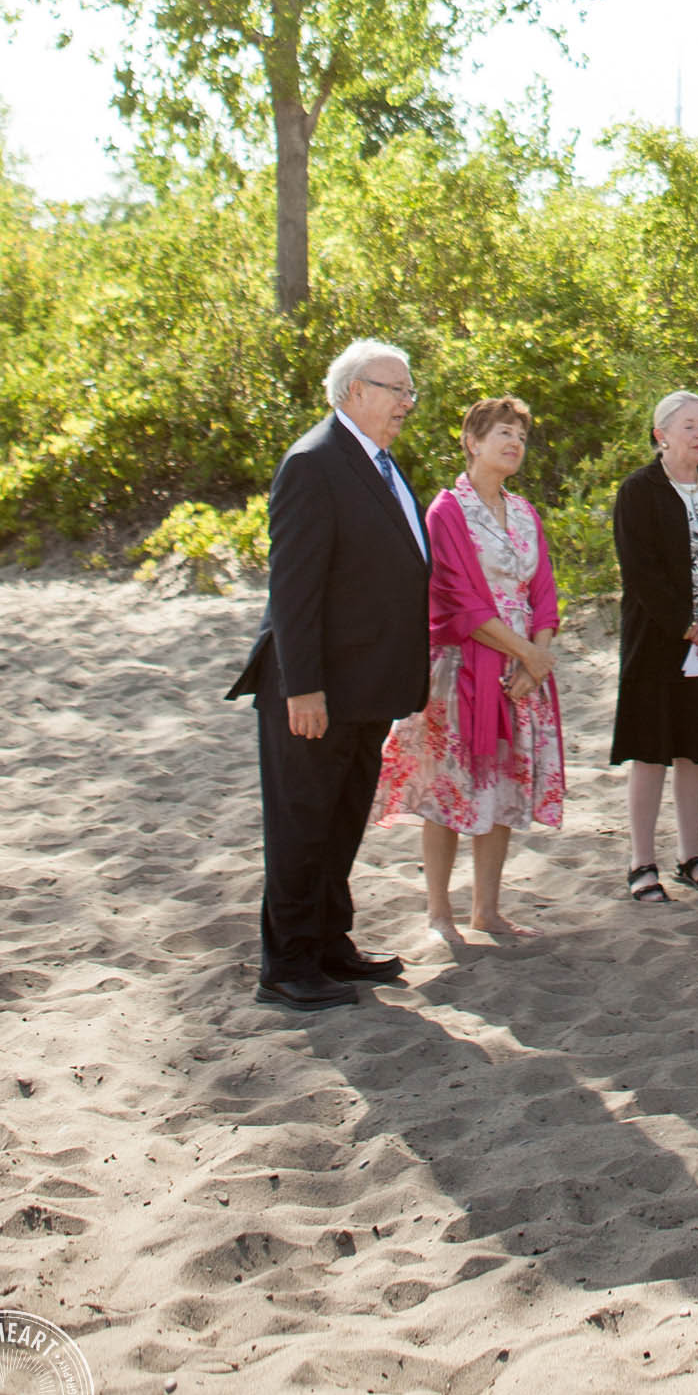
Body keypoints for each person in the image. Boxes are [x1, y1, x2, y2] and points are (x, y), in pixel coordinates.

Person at [227, 338, 431, 1010]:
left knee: (341, 819)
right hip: (314, 688)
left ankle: (329, 945)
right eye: (396, 388)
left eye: (409, 390)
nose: (407, 401)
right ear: (354, 392)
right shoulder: (314, 462)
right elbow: (294, 589)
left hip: (367, 685)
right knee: (302, 821)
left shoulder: (378, 462)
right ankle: (286, 964)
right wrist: (304, 687)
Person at [373, 395, 565, 948]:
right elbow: (458, 602)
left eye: (521, 437)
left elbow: (545, 593)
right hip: (461, 666)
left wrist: (537, 654)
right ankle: (439, 912)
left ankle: (487, 909)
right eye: (502, 433)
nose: (514, 444)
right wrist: (527, 654)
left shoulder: (526, 513)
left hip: (524, 667)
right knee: (449, 789)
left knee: (503, 784)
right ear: (472, 441)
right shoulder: (446, 512)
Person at [610, 390, 698, 903]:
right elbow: (641, 571)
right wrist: (688, 627)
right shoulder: (638, 491)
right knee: (651, 752)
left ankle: (691, 856)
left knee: (696, 749)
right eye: (689, 425)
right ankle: (640, 861)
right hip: (658, 641)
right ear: (661, 434)